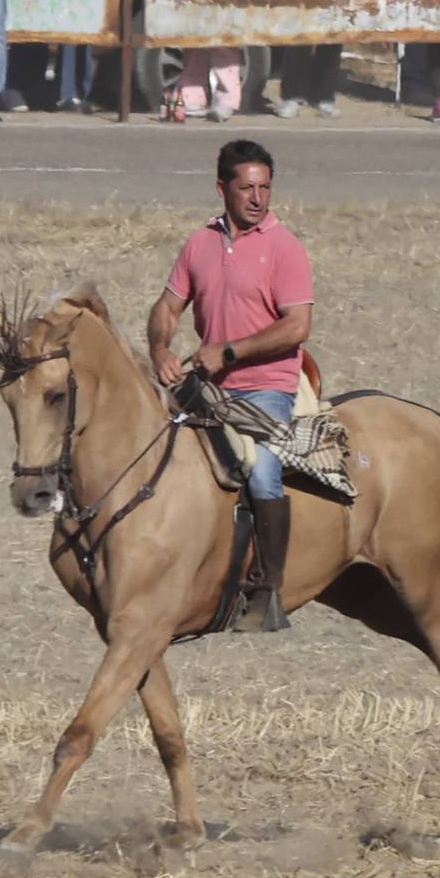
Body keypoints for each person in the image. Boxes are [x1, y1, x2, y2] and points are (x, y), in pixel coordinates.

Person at [147, 138, 312, 633]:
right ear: (222, 189)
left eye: (265, 187)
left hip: (265, 386)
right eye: (247, 188)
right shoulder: (200, 243)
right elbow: (167, 307)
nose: (258, 198)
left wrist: (230, 351)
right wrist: (160, 348)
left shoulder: (284, 248)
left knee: (261, 473)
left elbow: (297, 326)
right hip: (208, 383)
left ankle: (269, 590)